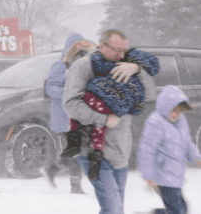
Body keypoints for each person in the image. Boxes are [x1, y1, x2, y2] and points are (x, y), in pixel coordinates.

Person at [63, 29, 157, 214]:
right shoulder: (83, 66)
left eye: (124, 50)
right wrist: (103, 119)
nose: (121, 55)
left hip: (120, 148)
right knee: (113, 208)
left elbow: (150, 95)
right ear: (102, 46)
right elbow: (70, 103)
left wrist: (137, 69)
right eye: (116, 50)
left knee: (116, 207)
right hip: (91, 148)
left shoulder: (127, 65)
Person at [60, 47, 159, 181]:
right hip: (106, 114)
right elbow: (72, 101)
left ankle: (76, 152)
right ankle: (80, 162)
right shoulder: (91, 65)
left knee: (90, 135)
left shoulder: (121, 64)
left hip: (113, 122)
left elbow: (149, 95)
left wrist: (137, 69)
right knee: (95, 134)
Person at [41, 33, 94, 194]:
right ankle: (75, 186)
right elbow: (51, 88)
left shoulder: (83, 67)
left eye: (82, 51)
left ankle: (52, 169)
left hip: (79, 115)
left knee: (76, 150)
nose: (80, 54)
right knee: (75, 150)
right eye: (77, 51)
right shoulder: (60, 66)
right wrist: (69, 93)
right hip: (64, 117)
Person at [138, 85, 201, 214]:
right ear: (165, 107)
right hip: (161, 175)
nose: (176, 114)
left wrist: (195, 157)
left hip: (176, 175)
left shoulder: (180, 121)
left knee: (182, 208)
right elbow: (147, 151)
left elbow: (187, 142)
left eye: (180, 111)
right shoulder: (155, 123)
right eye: (174, 110)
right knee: (177, 210)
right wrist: (149, 175)